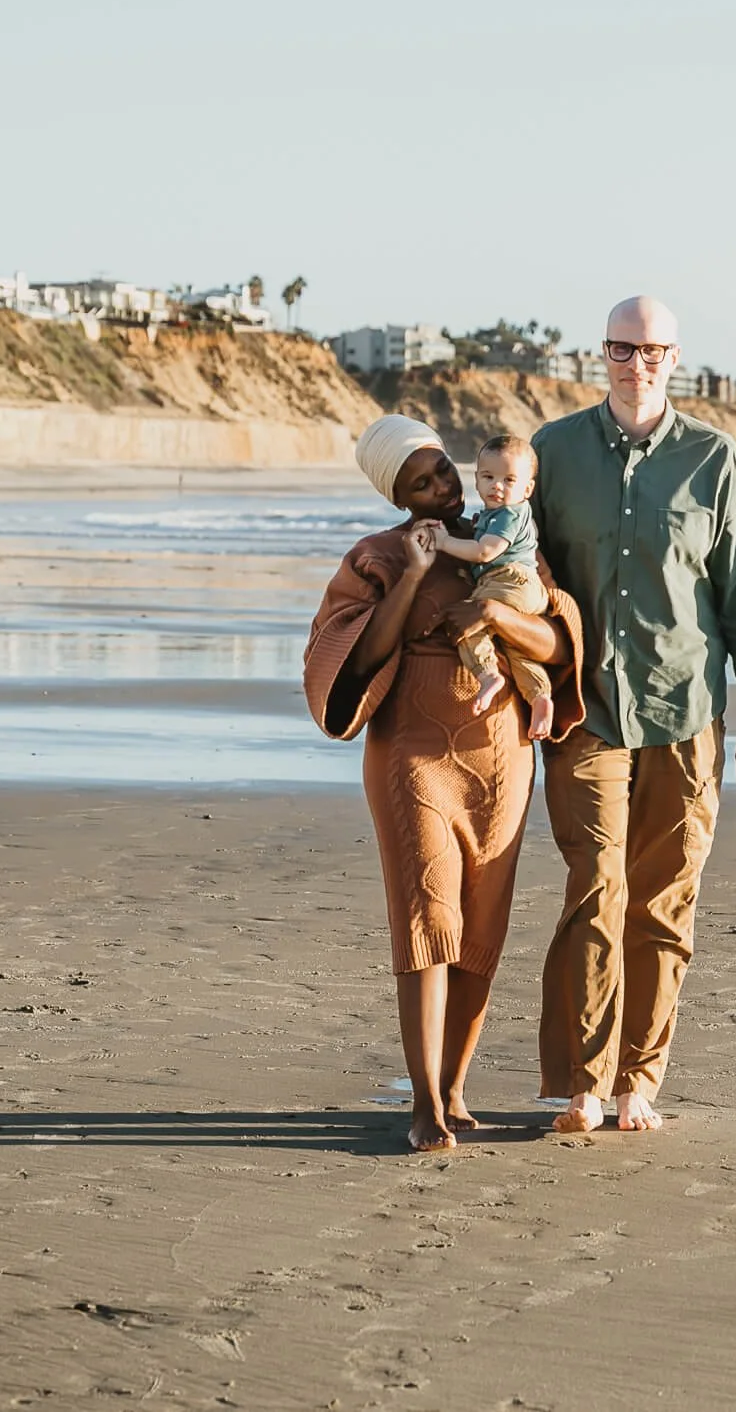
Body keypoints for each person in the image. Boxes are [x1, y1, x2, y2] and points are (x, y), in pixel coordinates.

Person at [304, 414, 584, 1152]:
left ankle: (457, 1090)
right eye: (418, 481)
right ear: (395, 494)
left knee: (482, 926)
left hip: (502, 754)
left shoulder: (506, 536)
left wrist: (494, 611)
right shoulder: (374, 556)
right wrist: (417, 572)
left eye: (442, 470)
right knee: (428, 916)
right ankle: (424, 1103)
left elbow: (556, 638)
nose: (440, 487)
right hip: (414, 753)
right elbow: (353, 658)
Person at [532, 295, 736, 1135]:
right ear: (601, 354)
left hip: (688, 710)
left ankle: (640, 1080)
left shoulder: (712, 457)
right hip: (583, 710)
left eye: (653, 350)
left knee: (664, 899)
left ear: (676, 358)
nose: (637, 363)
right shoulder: (553, 452)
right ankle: (584, 1082)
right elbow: (520, 572)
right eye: (621, 348)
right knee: (595, 887)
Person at [426, 434, 556, 738]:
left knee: (468, 623)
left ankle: (486, 675)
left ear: (527, 489)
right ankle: (539, 697)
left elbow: (485, 552)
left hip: (510, 581)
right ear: (477, 480)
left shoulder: (510, 514)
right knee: (516, 647)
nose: (497, 486)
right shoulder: (494, 515)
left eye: (509, 479)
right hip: (524, 588)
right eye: (489, 477)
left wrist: (445, 542)